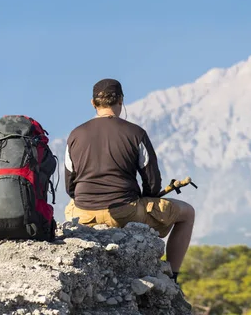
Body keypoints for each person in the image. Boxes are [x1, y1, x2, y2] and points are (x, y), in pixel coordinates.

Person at [63, 78, 195, 284]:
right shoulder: (136, 133)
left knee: (72, 204)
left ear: (93, 103)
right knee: (187, 213)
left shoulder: (74, 135)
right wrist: (145, 199)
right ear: (121, 100)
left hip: (83, 214)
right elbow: (152, 183)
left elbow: (70, 186)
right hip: (125, 213)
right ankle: (173, 276)